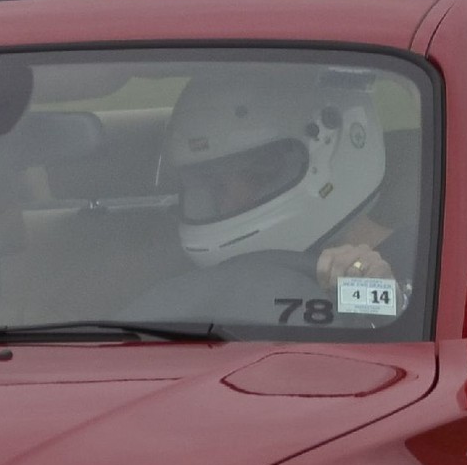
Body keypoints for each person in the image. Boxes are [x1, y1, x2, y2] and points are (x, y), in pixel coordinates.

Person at [129, 66, 402, 326]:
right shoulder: (174, 282)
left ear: (333, 151)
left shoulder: (419, 264)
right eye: (213, 184)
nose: (230, 202)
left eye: (259, 174)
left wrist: (382, 297)